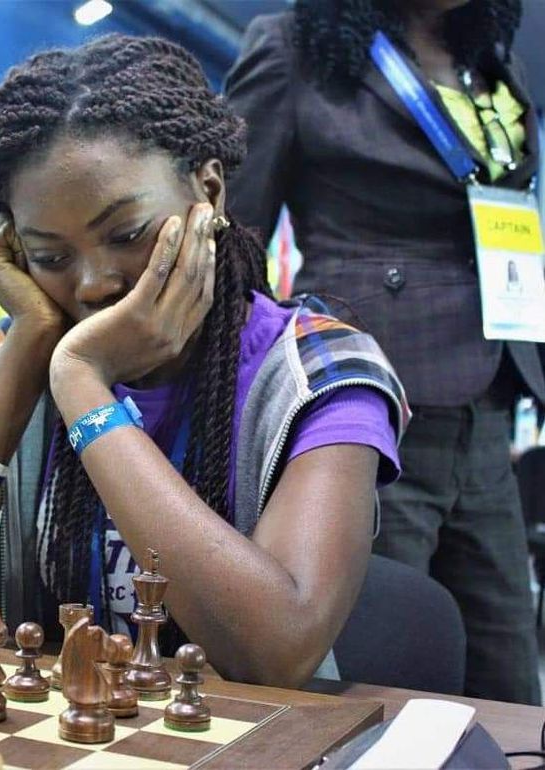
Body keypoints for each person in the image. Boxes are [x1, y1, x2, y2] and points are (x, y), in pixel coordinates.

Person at [0, 35, 408, 688]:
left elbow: (275, 652)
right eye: (50, 257)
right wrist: (29, 352)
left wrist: (82, 384)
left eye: (127, 234)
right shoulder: (11, 359)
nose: (94, 284)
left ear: (210, 191)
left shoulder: (321, 371)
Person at [225, 0, 544, 703]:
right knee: (380, 681)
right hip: (368, 413)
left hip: (489, 405)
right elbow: (233, 244)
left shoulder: (493, 61)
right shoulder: (292, 47)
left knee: (512, 686)